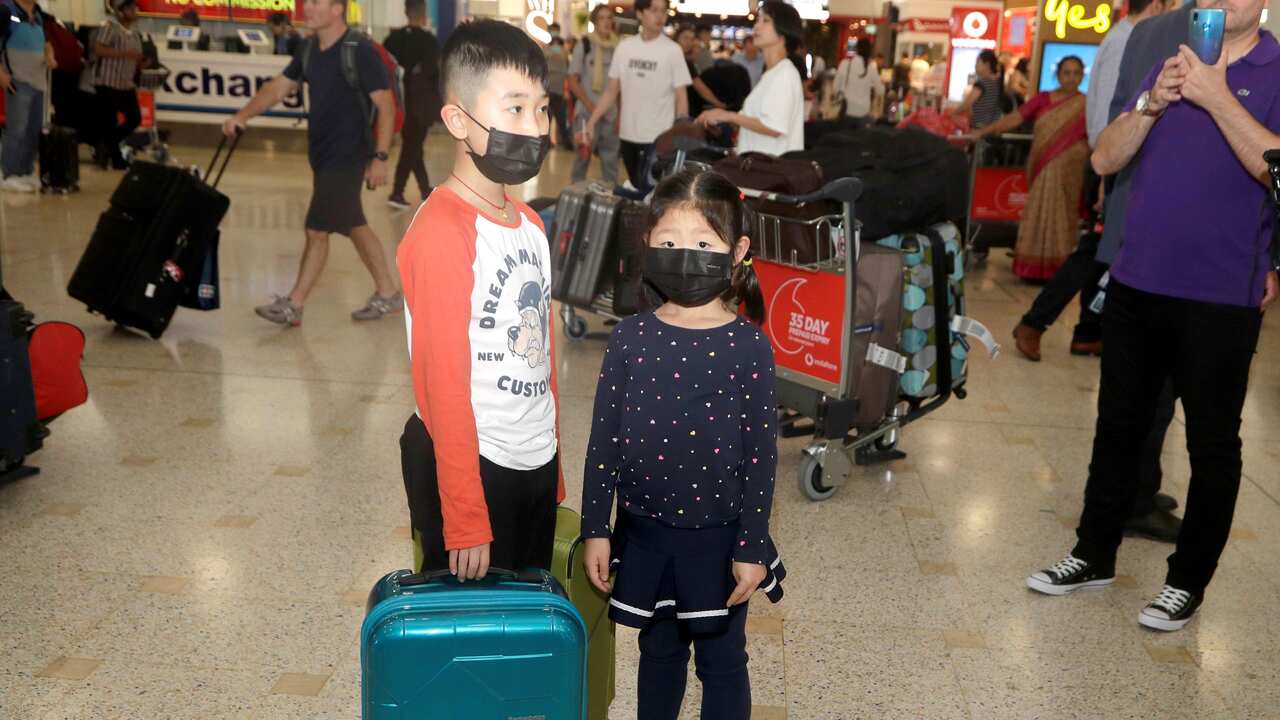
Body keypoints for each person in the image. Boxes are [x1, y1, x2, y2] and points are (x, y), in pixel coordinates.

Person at [1027, 0, 1280, 632]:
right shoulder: (1171, 62)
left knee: (1212, 444)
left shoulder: (1275, 69)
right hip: (1140, 279)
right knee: (1118, 426)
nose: (1220, 2)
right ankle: (1093, 553)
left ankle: (1186, 582)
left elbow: (1275, 168)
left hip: (1222, 294)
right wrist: (1153, 103)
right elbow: (1105, 159)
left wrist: (1216, 94)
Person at [580, 168, 784, 720]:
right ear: (647, 243)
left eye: (703, 242)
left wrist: (751, 546)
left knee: (722, 661)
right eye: (669, 242)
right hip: (647, 536)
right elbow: (604, 445)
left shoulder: (749, 348)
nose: (685, 254)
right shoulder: (629, 338)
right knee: (658, 652)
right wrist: (595, 529)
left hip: (719, 541)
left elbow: (762, 457)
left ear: (737, 250)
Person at [398, 20, 562, 579]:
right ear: (457, 120)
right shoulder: (443, 230)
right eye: (514, 109)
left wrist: (551, 461)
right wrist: (465, 516)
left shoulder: (532, 224)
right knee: (476, 648)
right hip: (471, 469)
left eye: (541, 109)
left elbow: (542, 355)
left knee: (527, 632)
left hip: (530, 461)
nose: (535, 127)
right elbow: (442, 383)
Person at [1010, 0, 1177, 361]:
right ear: (1160, 5)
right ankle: (1036, 322)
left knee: (1104, 253)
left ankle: (1086, 331)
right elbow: (1114, 108)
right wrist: (1106, 173)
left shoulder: (1126, 36)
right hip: (1115, 162)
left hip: (1117, 160)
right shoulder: (1128, 39)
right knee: (1095, 251)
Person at [223, 0, 401, 326]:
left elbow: (385, 106)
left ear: (337, 9)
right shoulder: (308, 49)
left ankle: (294, 303)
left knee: (317, 229)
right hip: (322, 154)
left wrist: (380, 157)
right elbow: (279, 88)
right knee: (352, 224)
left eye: (316, 3)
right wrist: (243, 115)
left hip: (347, 155)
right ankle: (388, 292)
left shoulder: (358, 50)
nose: (307, 9)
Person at [967, 57, 1088, 281]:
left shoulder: (1087, 103)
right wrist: (984, 132)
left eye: (1076, 73)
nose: (1071, 78)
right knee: (1038, 210)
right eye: (1066, 73)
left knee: (1064, 215)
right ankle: (1032, 267)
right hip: (1043, 168)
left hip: (1072, 173)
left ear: (1083, 76)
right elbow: (1015, 118)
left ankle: (1058, 269)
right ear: (1058, 75)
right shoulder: (1043, 99)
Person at [583, 0, 690, 194]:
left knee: (652, 194)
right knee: (635, 188)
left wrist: (680, 131)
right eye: (654, 10)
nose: (660, 16)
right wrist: (591, 122)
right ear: (640, 14)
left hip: (658, 139)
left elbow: (681, 96)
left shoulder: (672, 51)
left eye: (664, 11)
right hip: (628, 135)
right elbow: (611, 91)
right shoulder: (625, 48)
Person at [695, 1, 804, 157]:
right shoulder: (772, 74)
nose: (756, 27)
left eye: (765, 21)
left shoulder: (785, 73)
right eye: (757, 20)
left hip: (770, 174)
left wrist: (728, 115)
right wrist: (722, 123)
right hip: (757, 170)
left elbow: (774, 127)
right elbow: (757, 123)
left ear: (783, 32)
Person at [383, 0, 442, 209]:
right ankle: (397, 192)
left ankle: (425, 189)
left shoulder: (392, 39)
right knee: (412, 147)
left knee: (413, 146)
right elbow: (433, 73)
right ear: (423, 13)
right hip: (420, 105)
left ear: (406, 12)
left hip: (397, 103)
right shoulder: (428, 41)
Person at [0, 0, 54, 192]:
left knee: (34, 129)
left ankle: (25, 171)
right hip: (17, 80)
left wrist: (49, 55)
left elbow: (46, 43)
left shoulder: (38, 15)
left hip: (39, 81)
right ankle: (8, 173)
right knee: (17, 128)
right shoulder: (7, 10)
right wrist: (1, 74)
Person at [567, 3, 620, 185]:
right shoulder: (585, 44)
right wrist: (590, 105)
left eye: (609, 18)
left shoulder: (618, 47)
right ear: (594, 22)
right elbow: (573, 80)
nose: (606, 22)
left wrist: (619, 114)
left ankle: (609, 203)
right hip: (585, 112)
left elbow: (620, 85)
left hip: (610, 115)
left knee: (610, 162)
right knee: (582, 158)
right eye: (602, 18)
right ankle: (575, 199)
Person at [93, 0, 145, 171]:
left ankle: (106, 145)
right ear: (121, 11)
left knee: (134, 118)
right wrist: (125, 54)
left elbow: (135, 56)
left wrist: (141, 62)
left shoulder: (135, 33)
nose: (134, 11)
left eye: (135, 8)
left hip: (126, 83)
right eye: (130, 8)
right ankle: (116, 159)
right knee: (110, 121)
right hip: (109, 82)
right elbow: (99, 49)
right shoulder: (111, 27)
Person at [676, 25, 726, 117]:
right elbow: (700, 87)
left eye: (691, 39)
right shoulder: (682, 60)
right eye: (685, 38)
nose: (688, 42)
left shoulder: (684, 59)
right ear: (677, 38)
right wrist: (719, 104)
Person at [950, 49, 1005, 129]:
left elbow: (967, 103)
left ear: (987, 65)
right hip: (993, 126)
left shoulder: (982, 83)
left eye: (978, 62)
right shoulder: (997, 82)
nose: (975, 65)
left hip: (980, 126)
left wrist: (953, 113)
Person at [833, 37, 879, 123]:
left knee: (844, 136)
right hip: (864, 112)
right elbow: (880, 90)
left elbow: (835, 87)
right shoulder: (871, 68)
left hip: (847, 110)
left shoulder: (845, 63)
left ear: (856, 48)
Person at [543, 26, 572, 150]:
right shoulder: (562, 52)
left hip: (552, 89)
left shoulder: (547, 50)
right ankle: (564, 143)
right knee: (557, 118)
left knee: (551, 117)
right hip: (554, 90)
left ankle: (551, 142)